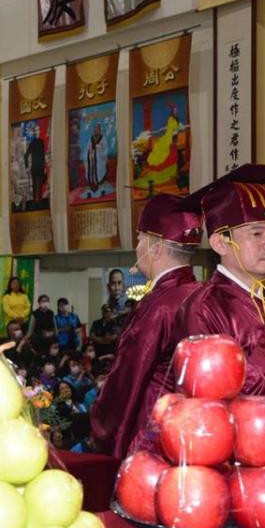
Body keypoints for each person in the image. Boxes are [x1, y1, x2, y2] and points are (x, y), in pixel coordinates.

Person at [171, 164, 265, 426]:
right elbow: (207, 405)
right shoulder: (202, 309)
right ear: (219, 243)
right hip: (241, 458)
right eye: (256, 233)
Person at [90, 194, 203, 459]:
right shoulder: (203, 295)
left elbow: (127, 379)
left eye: (140, 238)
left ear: (156, 248)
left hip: (153, 437)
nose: (137, 246)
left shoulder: (158, 306)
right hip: (195, 433)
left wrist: (99, 421)